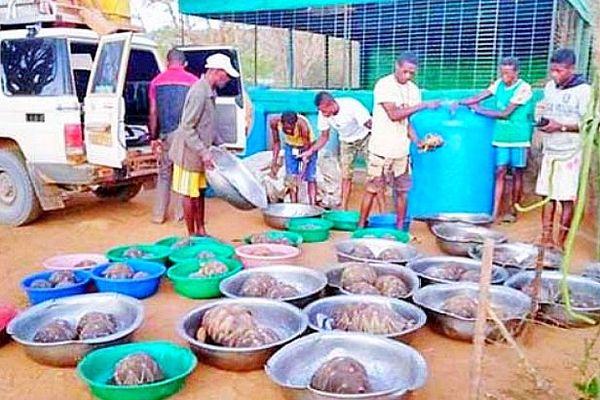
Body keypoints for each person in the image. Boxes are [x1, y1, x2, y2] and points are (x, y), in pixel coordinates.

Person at [358, 52, 439, 230]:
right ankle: (360, 226)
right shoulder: (384, 85)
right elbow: (394, 115)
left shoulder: (414, 90)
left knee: (403, 192)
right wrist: (424, 105)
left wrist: (417, 141)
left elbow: (406, 122)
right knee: (372, 190)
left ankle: (401, 228)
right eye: (405, 71)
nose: (408, 76)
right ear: (396, 66)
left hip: (401, 151)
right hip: (380, 149)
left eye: (412, 73)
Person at [168, 53, 240, 236]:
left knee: (199, 193)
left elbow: (209, 125)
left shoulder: (210, 91)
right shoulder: (199, 92)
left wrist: (221, 145)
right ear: (216, 72)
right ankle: (192, 234)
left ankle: (201, 230)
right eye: (226, 75)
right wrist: (203, 152)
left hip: (199, 155)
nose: (227, 79)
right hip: (187, 154)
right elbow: (187, 127)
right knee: (189, 195)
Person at [457, 57, 533, 223]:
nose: (504, 76)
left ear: (516, 72)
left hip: (519, 138)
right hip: (501, 137)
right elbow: (479, 96)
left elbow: (505, 113)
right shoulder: (498, 84)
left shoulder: (524, 88)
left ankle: (513, 209)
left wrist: (479, 110)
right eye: (502, 72)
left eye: (508, 73)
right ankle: (495, 210)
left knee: (517, 173)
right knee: (500, 171)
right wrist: (460, 103)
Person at [535, 48, 591, 249]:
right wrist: (541, 122)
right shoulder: (550, 87)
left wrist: (562, 126)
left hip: (570, 153)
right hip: (550, 149)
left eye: (559, 71)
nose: (554, 75)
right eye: (552, 70)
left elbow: (590, 124)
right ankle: (546, 238)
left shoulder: (584, 91)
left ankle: (561, 243)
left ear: (571, 69)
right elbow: (546, 110)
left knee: (565, 198)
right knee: (545, 195)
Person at [300, 91, 384, 211]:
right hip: (346, 141)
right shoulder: (323, 115)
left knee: (375, 175)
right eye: (321, 111)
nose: (323, 114)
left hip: (366, 137)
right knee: (345, 175)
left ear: (331, 104)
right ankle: (343, 209)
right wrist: (310, 151)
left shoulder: (351, 106)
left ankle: (382, 211)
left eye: (325, 110)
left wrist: (383, 144)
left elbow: (372, 126)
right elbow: (324, 137)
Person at [148, 48, 198, 224]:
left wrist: (153, 137)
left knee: (164, 174)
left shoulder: (156, 82)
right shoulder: (194, 82)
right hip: (185, 134)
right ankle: (179, 214)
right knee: (181, 173)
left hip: (165, 134)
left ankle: (158, 215)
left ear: (167, 62)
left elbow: (153, 112)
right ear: (185, 64)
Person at [269, 112, 317, 205]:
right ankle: (294, 205)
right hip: (291, 146)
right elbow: (276, 143)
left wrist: (302, 173)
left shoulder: (303, 126)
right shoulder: (274, 122)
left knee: (310, 177)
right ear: (282, 123)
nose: (289, 131)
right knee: (291, 177)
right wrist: (274, 162)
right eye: (286, 129)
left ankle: (313, 206)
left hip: (308, 147)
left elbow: (306, 154)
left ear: (295, 124)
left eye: (291, 129)